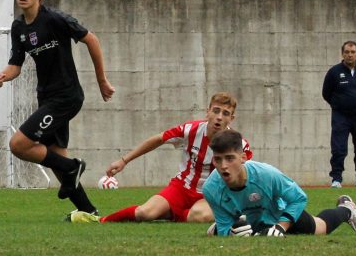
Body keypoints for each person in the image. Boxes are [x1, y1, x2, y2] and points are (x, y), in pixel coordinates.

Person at [0, 0, 115, 217]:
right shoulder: (19, 28)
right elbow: (16, 64)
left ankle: (74, 166)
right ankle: (89, 212)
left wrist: (102, 80)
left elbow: (92, 39)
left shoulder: (55, 19)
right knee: (57, 160)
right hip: (46, 97)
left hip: (66, 96)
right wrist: (3, 76)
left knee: (18, 145)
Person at [69, 92, 251, 224]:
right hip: (182, 187)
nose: (219, 117)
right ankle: (99, 220)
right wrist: (124, 161)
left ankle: (170, 214)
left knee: (200, 217)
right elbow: (158, 139)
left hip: (212, 194)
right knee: (144, 213)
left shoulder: (238, 144)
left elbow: (248, 174)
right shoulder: (191, 130)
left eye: (225, 114)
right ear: (208, 111)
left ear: (231, 119)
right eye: (216, 111)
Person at [204, 129, 356, 237]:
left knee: (320, 228)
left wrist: (280, 227)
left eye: (230, 158)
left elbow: (299, 198)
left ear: (243, 158)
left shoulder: (266, 175)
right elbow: (226, 229)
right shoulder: (211, 189)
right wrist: (230, 232)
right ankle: (236, 225)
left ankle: (346, 210)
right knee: (220, 231)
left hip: (279, 213)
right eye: (218, 159)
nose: (223, 165)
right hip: (250, 222)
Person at [322, 40, 356, 188]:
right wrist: (339, 105)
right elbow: (326, 93)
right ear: (342, 54)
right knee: (338, 149)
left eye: (352, 52)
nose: (349, 55)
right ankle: (336, 180)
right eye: (347, 52)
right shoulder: (334, 72)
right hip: (341, 117)